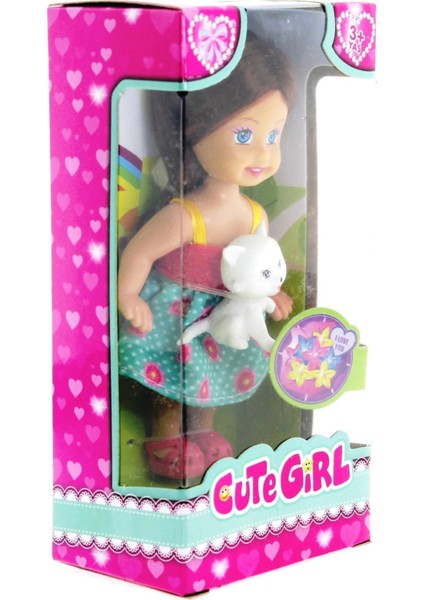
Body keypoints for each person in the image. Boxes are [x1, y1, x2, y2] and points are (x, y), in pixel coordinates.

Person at [117, 32, 295, 481]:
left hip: (225, 314)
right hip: (175, 312)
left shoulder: (254, 215)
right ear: (195, 129)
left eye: (274, 135)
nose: (263, 152)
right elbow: (140, 251)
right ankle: (165, 435)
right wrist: (128, 295)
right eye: (244, 134)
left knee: (212, 376)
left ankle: (203, 432)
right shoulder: (187, 213)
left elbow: (262, 268)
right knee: (174, 379)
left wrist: (272, 295)